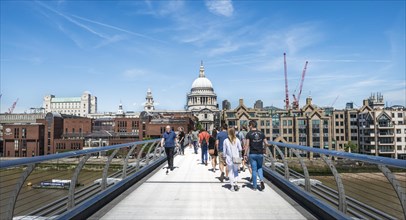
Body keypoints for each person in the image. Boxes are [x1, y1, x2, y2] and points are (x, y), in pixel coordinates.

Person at [244, 120, 269, 191]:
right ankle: (261, 180)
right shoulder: (261, 133)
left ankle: (254, 187)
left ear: (251, 125)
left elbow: (247, 145)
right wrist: (265, 149)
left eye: (249, 125)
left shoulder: (249, 134)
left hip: (252, 154)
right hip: (260, 153)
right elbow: (266, 143)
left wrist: (245, 154)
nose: (248, 127)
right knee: (260, 168)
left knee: (254, 170)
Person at [223, 127, 242, 191]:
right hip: (236, 158)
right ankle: (236, 184)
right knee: (236, 171)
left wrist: (224, 158)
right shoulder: (237, 140)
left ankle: (232, 186)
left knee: (230, 172)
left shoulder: (225, 140)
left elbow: (224, 151)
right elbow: (240, 149)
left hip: (229, 158)